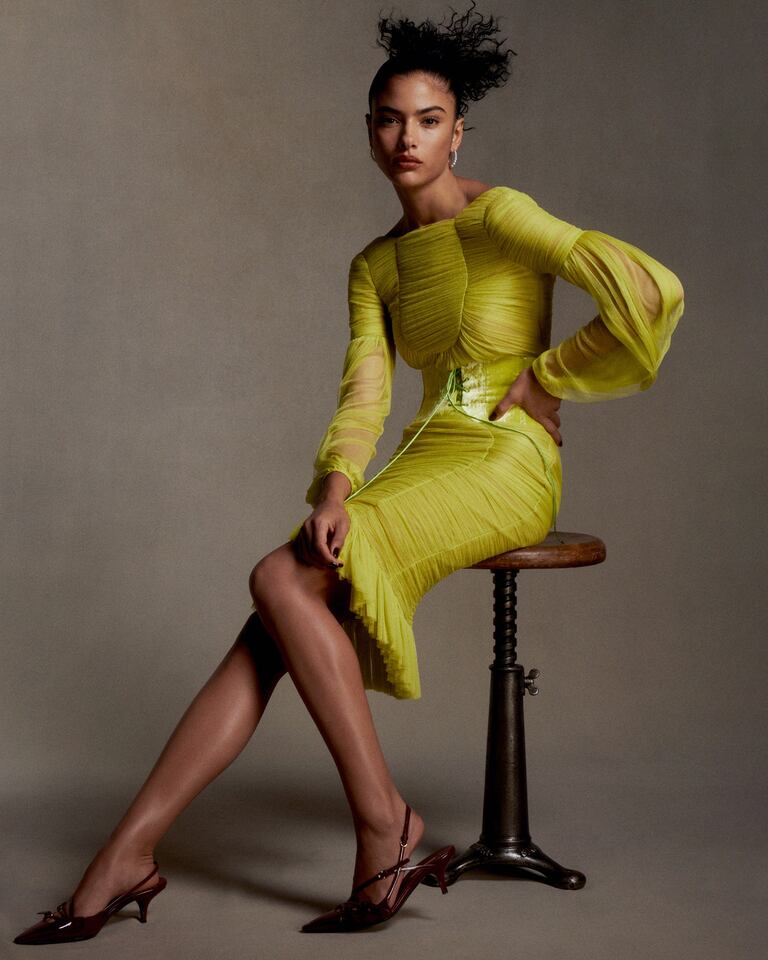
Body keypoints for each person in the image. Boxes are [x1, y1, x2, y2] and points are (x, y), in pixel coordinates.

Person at [13, 2, 685, 944]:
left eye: (428, 120)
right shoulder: (374, 266)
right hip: (422, 460)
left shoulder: (503, 216)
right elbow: (365, 395)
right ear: (368, 130)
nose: (407, 138)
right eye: (389, 120)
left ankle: (380, 825)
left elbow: (650, 288)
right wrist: (334, 486)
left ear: (458, 132)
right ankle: (132, 852)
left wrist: (549, 377)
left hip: (506, 462)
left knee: (277, 578)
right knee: (276, 613)